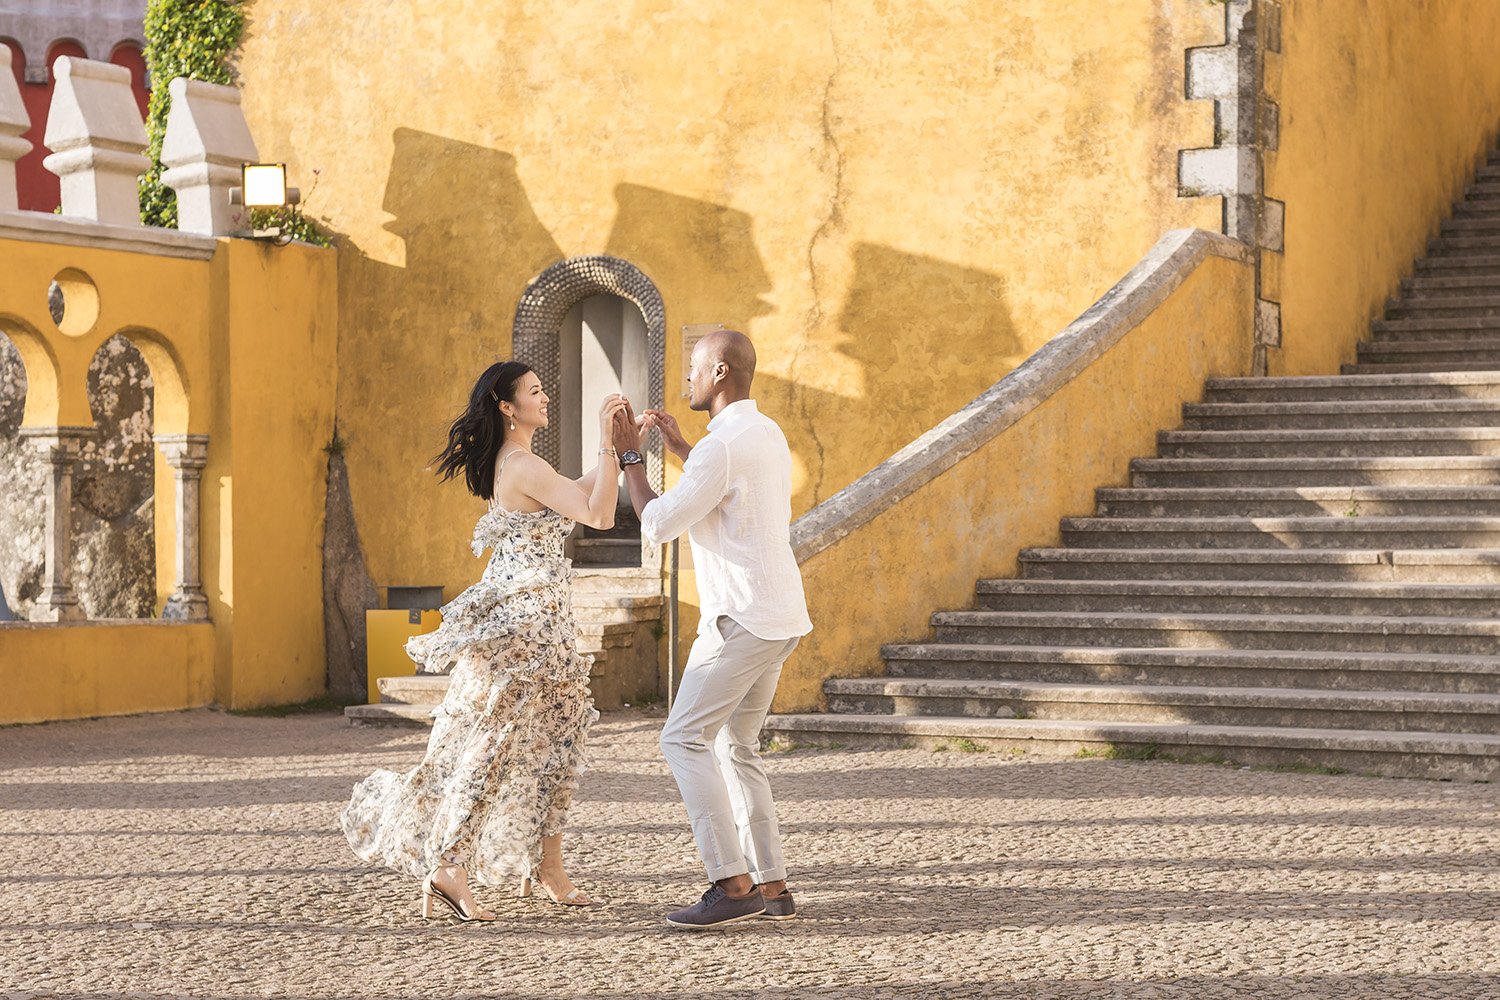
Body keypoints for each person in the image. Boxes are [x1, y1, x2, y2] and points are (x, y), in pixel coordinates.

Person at [341, 361, 629, 921]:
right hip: (526, 631)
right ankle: (449, 867)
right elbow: (596, 513)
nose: (546, 398)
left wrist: (619, 446)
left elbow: (580, 491)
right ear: (506, 405)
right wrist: (603, 441)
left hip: (543, 624)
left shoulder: (522, 464)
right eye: (535, 391)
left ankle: (548, 866)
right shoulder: (520, 464)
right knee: (491, 748)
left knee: (559, 742)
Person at [613, 329, 813, 930]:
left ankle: (731, 882)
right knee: (736, 746)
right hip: (779, 617)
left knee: (683, 740)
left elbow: (660, 523)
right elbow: (723, 488)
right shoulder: (765, 432)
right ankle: (773, 884)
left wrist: (630, 456)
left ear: (720, 371)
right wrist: (679, 446)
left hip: (741, 619)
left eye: (695, 368)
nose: (687, 379)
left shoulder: (719, 449)